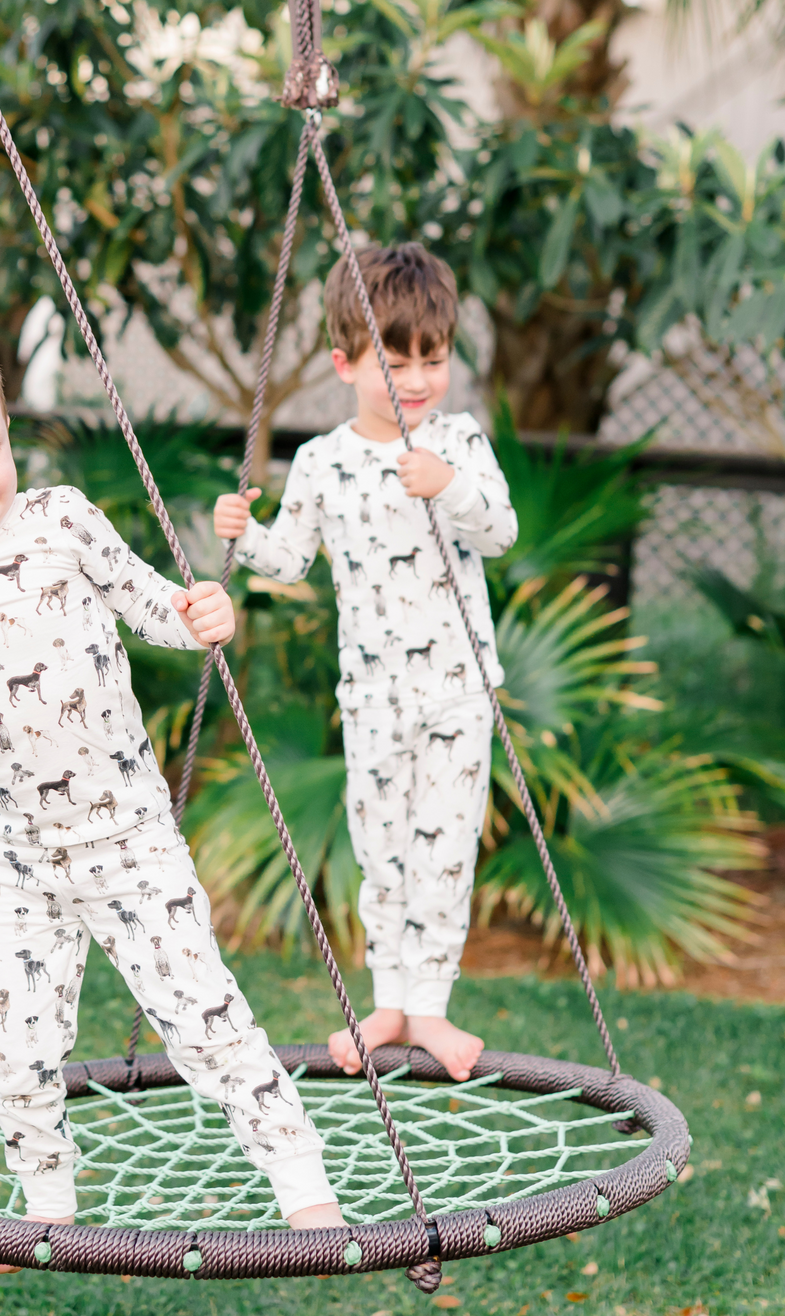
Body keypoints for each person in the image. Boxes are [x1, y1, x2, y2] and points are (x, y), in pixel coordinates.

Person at [0, 325, 344, 1258]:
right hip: (18, 856)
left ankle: (303, 1184)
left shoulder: (59, 517)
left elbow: (154, 603)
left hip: (128, 836)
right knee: (16, 1051)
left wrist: (203, 616)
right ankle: (47, 1194)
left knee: (205, 1018)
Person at [213, 243, 518, 1083]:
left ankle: (433, 1006)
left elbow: (500, 530)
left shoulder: (459, 441)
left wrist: (449, 484)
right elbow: (291, 560)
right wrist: (246, 534)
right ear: (346, 363)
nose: (417, 380)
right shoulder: (321, 461)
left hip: (457, 692)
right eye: (396, 361)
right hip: (374, 695)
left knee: (445, 845)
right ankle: (389, 999)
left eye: (434, 357)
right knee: (380, 845)